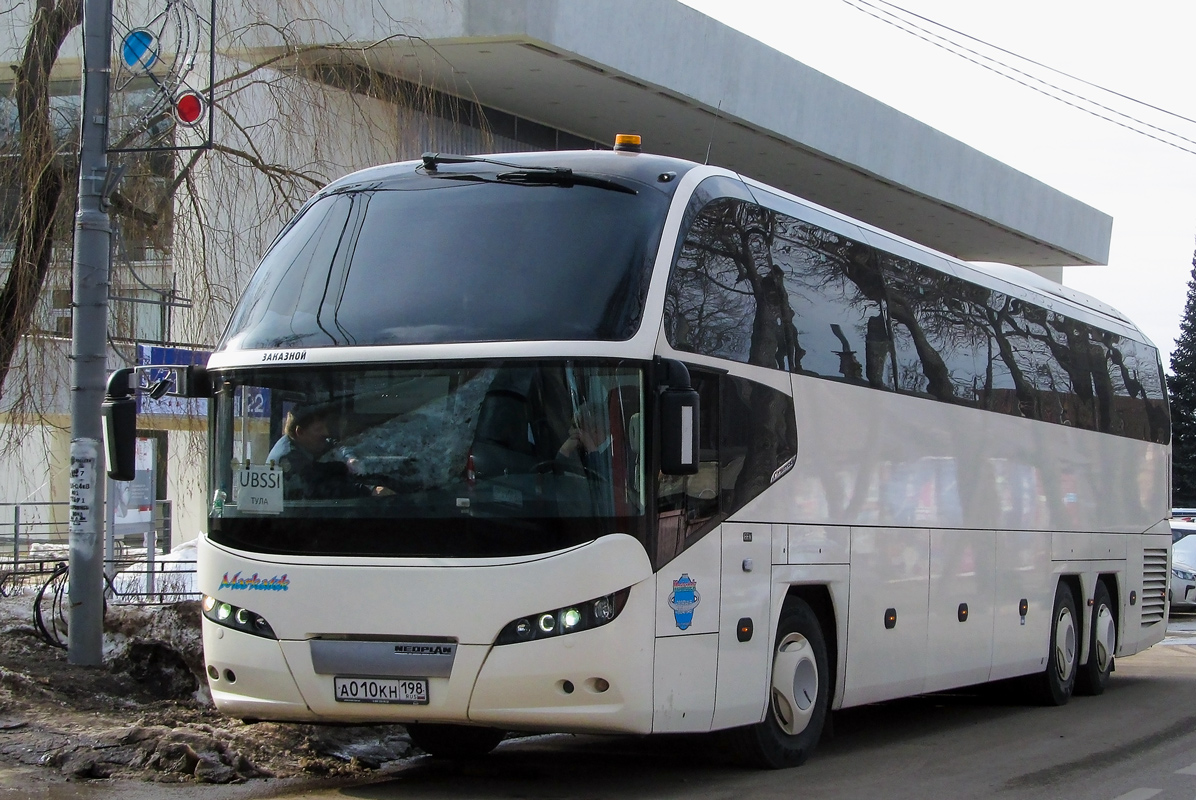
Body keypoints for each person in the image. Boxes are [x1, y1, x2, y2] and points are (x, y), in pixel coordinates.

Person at [268, 406, 391, 499]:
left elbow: (336, 446)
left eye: (325, 427)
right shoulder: (288, 457)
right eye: (319, 429)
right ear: (300, 432)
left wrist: (349, 459)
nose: (326, 433)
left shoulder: (308, 442)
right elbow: (319, 488)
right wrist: (368, 490)